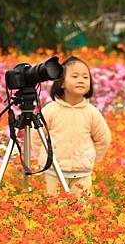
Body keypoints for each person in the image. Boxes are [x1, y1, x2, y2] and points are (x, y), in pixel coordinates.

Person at [31, 56, 111, 198]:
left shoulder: (91, 112)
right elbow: (37, 135)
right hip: (54, 170)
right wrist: (42, 157)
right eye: (75, 76)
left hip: (82, 173)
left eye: (85, 77)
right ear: (61, 83)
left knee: (82, 209)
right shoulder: (51, 110)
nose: (81, 80)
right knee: (55, 209)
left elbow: (103, 138)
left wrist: (91, 158)